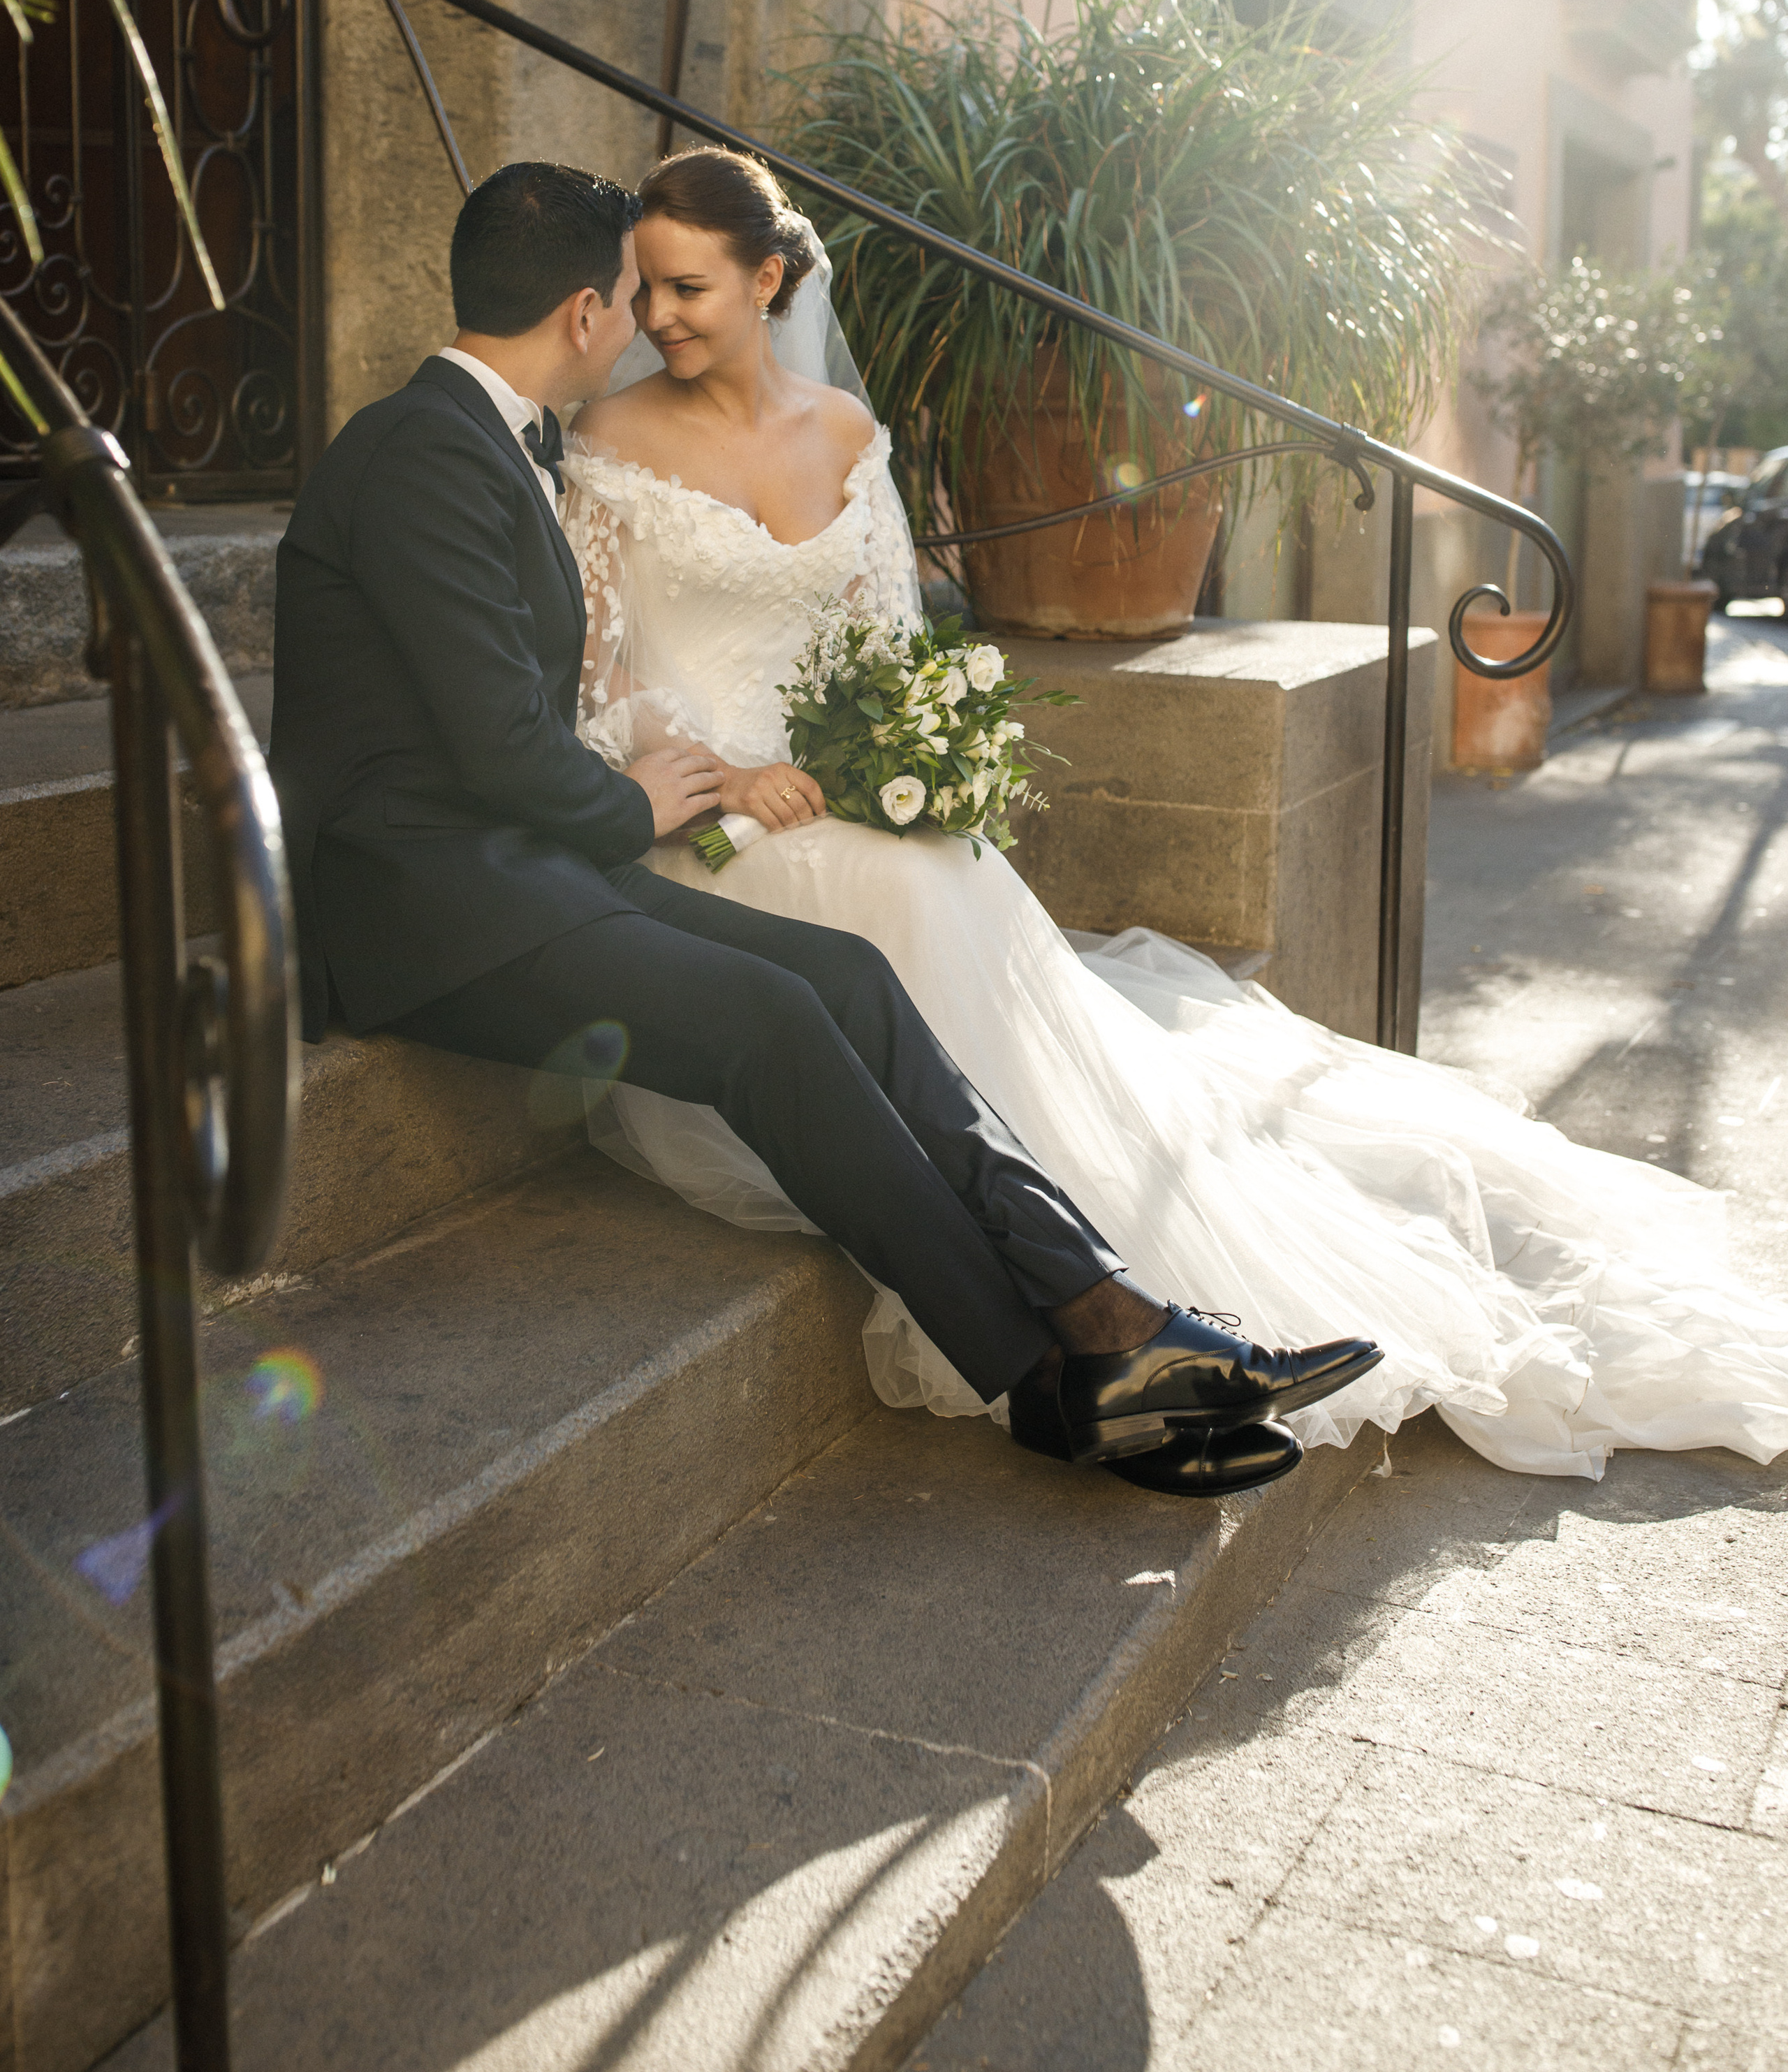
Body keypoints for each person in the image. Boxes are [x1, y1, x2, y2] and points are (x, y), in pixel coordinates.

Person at [563, 144, 1788, 1482]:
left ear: (771, 276)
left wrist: (902, 762)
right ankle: (1120, 1321)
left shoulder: (852, 439)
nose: (660, 318)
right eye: (647, 291)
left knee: (935, 868)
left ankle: (1136, 1302)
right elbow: (600, 680)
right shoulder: (611, 445)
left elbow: (888, 660)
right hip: (707, 824)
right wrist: (729, 776)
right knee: (903, 894)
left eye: (687, 288)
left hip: (836, 803)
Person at [268, 159, 1382, 1502]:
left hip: (512, 867)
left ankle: (1108, 1322)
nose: (641, 324)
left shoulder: (479, 441)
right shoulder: (417, 456)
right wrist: (635, 801)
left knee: (848, 975)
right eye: (630, 296)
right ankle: (1053, 1383)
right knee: (772, 1023)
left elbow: (504, 727)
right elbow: (501, 742)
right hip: (423, 904)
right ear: (579, 313)